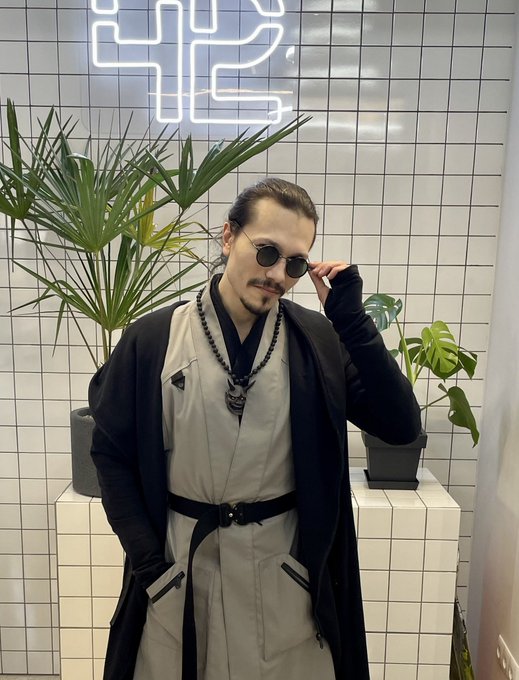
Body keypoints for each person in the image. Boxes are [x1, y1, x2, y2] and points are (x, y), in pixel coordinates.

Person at [89, 177, 421, 680]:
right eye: (266, 252)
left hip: (283, 579)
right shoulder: (154, 340)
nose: (277, 275)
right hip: (181, 575)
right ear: (228, 237)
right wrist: (150, 567)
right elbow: (111, 455)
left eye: (295, 263)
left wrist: (351, 322)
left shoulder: (316, 342)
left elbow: (400, 426)